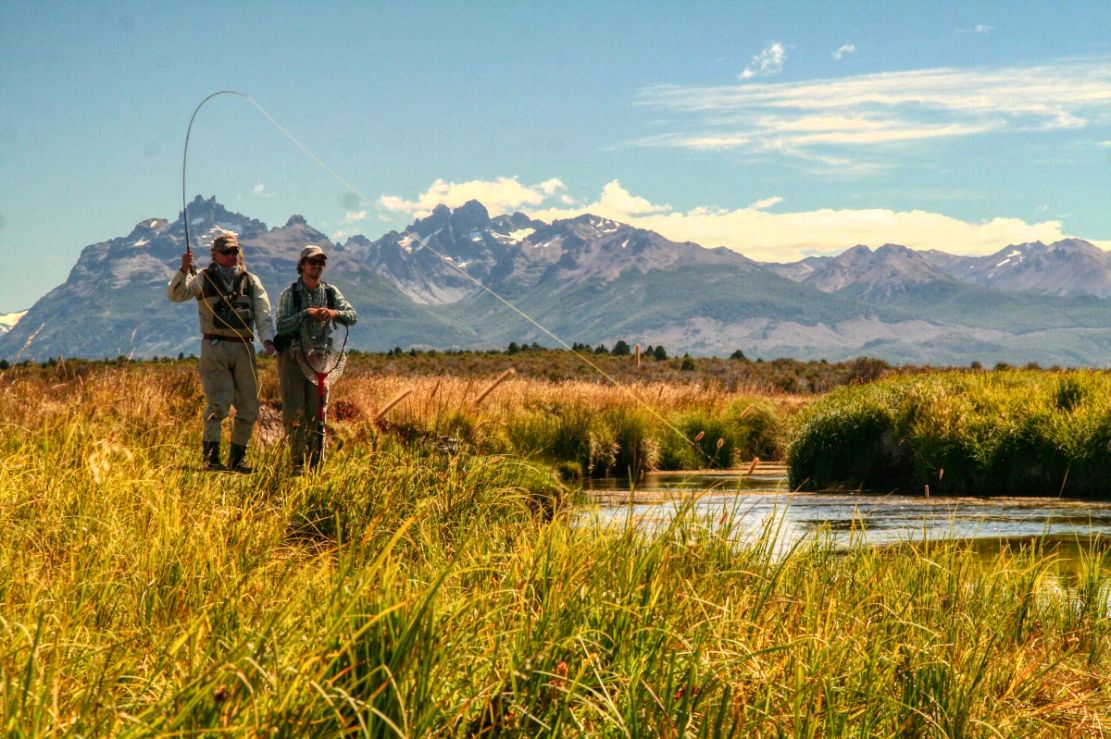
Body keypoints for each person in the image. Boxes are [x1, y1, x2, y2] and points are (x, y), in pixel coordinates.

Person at [168, 232, 276, 472]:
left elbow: (263, 314)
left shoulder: (251, 280)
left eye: (234, 251)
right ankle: (211, 459)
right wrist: (184, 269)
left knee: (249, 406)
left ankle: (238, 460)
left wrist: (267, 340)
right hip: (214, 347)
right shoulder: (202, 278)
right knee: (218, 404)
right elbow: (176, 295)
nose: (230, 256)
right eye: (225, 252)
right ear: (214, 254)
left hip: (244, 348)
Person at [274, 245, 357, 472]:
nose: (317, 266)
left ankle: (316, 464)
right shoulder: (290, 294)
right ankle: (297, 463)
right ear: (302, 266)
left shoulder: (330, 293)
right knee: (295, 414)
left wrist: (333, 313)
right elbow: (281, 326)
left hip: (321, 361)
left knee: (318, 414)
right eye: (312, 262)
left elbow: (352, 316)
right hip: (293, 359)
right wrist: (304, 314)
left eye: (321, 263)